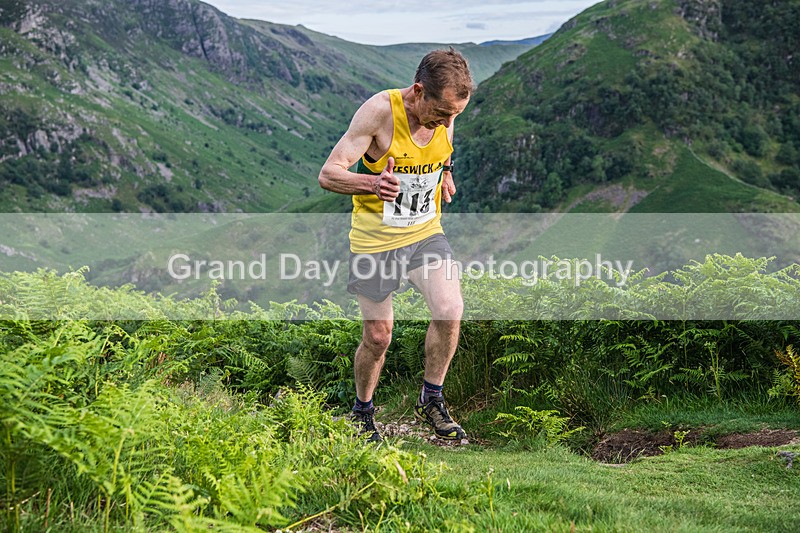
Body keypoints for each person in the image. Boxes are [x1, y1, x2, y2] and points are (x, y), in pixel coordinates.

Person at [318, 48, 474, 443]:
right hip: (375, 240)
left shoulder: (445, 111)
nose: (447, 122)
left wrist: (446, 173)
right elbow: (329, 174)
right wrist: (372, 183)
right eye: (441, 114)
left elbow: (444, 144)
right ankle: (362, 412)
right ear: (419, 91)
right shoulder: (378, 113)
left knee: (450, 309)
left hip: (424, 232)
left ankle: (431, 398)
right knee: (378, 337)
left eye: (454, 115)